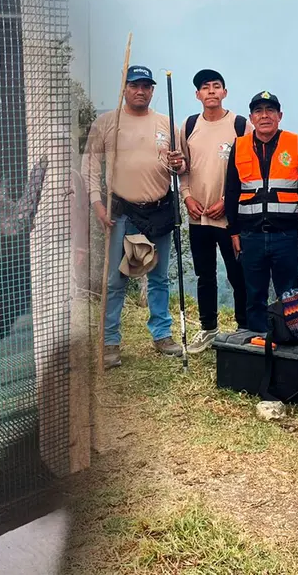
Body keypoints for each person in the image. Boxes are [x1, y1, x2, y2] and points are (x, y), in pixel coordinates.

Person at [83, 65, 184, 369]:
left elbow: (179, 167)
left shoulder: (167, 124)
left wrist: (177, 164)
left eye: (146, 86)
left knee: (159, 276)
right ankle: (111, 342)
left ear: (153, 90)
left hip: (160, 210)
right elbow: (90, 166)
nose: (141, 91)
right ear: (124, 88)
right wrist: (97, 204)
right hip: (125, 212)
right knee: (117, 279)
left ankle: (162, 335)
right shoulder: (106, 122)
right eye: (135, 85)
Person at [172, 69, 252, 353]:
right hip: (198, 217)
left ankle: (244, 329)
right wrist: (186, 197)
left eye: (216, 86)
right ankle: (208, 329)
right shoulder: (189, 125)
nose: (211, 92)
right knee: (205, 275)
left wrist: (227, 202)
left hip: (230, 219)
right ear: (197, 95)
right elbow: (183, 168)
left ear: (225, 92)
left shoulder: (240, 125)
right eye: (205, 88)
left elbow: (249, 171)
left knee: (237, 274)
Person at [224, 90, 298, 333]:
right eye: (259, 111)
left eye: (270, 110)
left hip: (285, 235)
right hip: (250, 236)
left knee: (289, 296)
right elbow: (231, 190)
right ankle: (257, 343)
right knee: (254, 295)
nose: (265, 116)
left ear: (280, 115)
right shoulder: (240, 146)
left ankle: (287, 344)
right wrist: (233, 231)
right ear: (251, 118)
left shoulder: (294, 143)